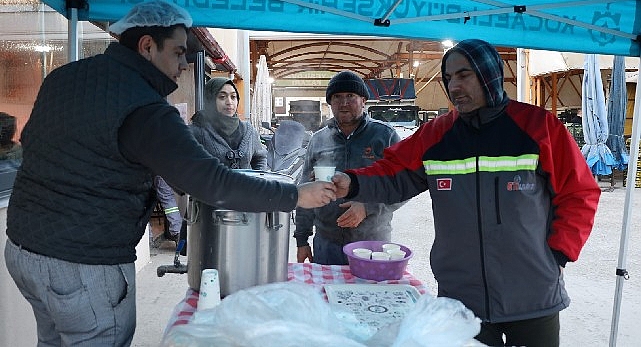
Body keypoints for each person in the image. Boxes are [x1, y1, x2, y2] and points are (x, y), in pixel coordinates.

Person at [4, 0, 335, 347]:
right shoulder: (145, 108)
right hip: (82, 266)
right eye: (177, 53)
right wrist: (295, 195)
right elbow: (211, 182)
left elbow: (32, 143)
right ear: (147, 46)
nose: (182, 64)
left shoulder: (63, 77)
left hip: (24, 250)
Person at [331, 39, 601, 347]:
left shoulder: (539, 127)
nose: (454, 85)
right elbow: (394, 172)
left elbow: (579, 192)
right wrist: (353, 181)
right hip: (461, 297)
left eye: (464, 75)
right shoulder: (437, 135)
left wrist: (558, 253)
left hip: (532, 295)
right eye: (449, 78)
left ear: (489, 75)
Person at [294, 71, 403, 265]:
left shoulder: (384, 136)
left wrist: (367, 207)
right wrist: (302, 239)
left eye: (350, 96)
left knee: (370, 294)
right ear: (330, 102)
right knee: (325, 294)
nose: (343, 102)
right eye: (337, 97)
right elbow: (304, 189)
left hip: (372, 243)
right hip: (327, 243)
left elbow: (403, 186)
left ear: (363, 100)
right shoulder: (318, 140)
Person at [190, 77, 267, 170]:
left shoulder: (248, 131)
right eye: (222, 97)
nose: (229, 102)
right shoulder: (196, 132)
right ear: (210, 100)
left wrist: (258, 179)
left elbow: (260, 158)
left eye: (233, 97)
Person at [152, 175, 183, 244]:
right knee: (168, 200)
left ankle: (177, 231)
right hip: (171, 171)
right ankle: (178, 231)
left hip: (161, 172)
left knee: (167, 199)